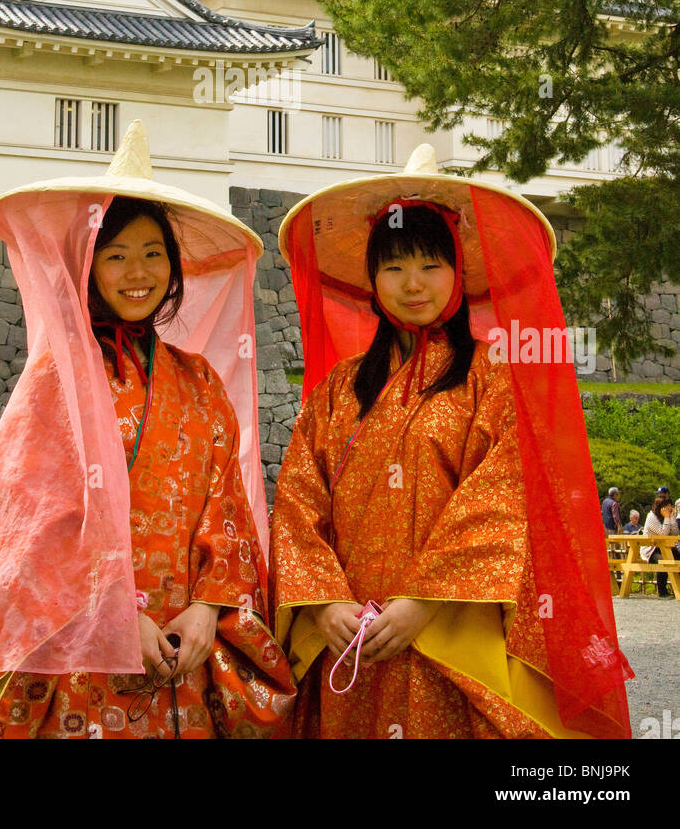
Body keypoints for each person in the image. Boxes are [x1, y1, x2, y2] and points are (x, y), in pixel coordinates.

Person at [0, 120, 294, 739]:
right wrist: (113, 614)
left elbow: (229, 508)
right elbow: (29, 519)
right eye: (116, 255)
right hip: (80, 647)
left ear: (174, 267)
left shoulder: (202, 381)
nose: (138, 271)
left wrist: (209, 609)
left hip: (183, 644)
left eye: (154, 253)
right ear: (88, 266)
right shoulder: (57, 378)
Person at [270, 143, 632, 740]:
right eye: (393, 267)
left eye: (430, 265)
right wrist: (322, 602)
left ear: (458, 272)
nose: (413, 284)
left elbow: (499, 497)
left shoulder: (492, 378)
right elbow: (298, 501)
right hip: (349, 637)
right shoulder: (339, 387)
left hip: (448, 635)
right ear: (371, 278)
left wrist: (423, 604)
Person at [642, 498, 680, 597]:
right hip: (651, 550)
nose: (670, 509)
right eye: (667, 507)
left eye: (670, 507)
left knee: (678, 557)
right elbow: (663, 534)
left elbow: (675, 533)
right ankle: (662, 591)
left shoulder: (666, 516)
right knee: (663, 560)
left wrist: (671, 517)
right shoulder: (651, 517)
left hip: (665, 548)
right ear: (661, 508)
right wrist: (667, 517)